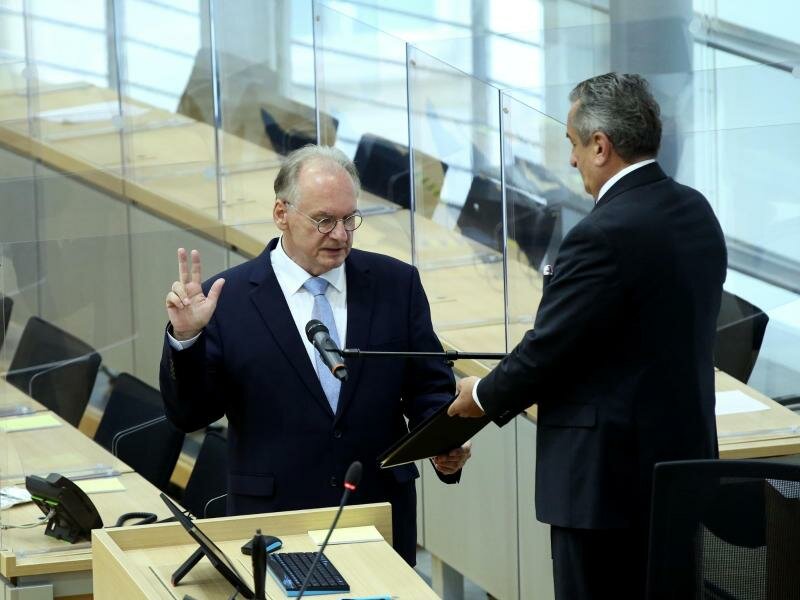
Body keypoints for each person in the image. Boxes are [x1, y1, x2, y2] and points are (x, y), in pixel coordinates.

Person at [449, 73, 727, 599]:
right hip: (680, 469)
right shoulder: (695, 210)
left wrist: (481, 395)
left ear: (601, 145)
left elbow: (550, 350)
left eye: (573, 144)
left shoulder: (601, 235)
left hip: (605, 485)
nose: (572, 160)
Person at [160, 145, 471, 565]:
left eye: (349, 219)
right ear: (281, 213)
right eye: (324, 220)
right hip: (275, 520)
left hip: (377, 514)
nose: (340, 235)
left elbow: (427, 387)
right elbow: (190, 415)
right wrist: (187, 338)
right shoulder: (226, 300)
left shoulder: (396, 284)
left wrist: (443, 445)